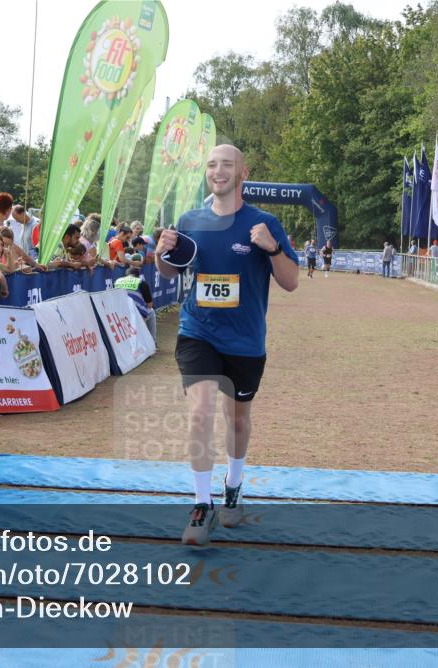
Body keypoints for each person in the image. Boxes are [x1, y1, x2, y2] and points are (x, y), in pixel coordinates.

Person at [154, 144, 298, 546]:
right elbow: (170, 269)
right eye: (212, 165)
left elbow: (290, 282)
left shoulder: (264, 223)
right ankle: (202, 505)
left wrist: (271, 248)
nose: (218, 171)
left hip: (246, 340)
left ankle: (233, 484)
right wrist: (160, 253)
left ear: (242, 172)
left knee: (236, 419)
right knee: (199, 412)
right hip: (197, 331)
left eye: (227, 165)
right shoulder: (190, 220)